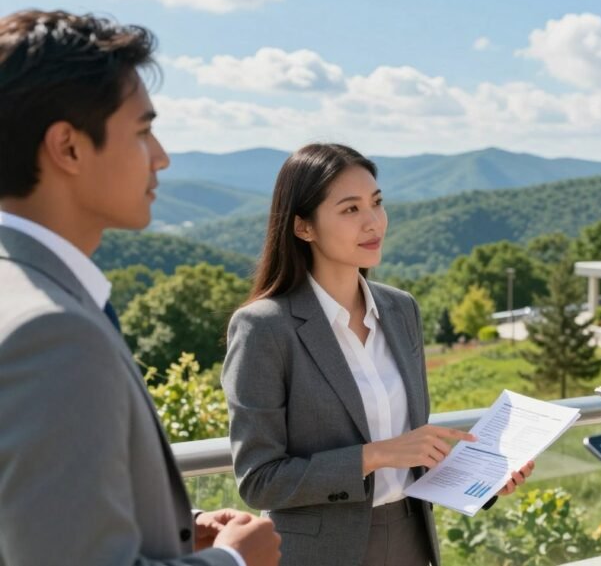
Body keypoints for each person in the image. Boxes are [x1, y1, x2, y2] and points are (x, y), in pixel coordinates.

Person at [0, 10, 280, 566]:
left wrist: (178, 528)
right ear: (69, 148)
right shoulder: (53, 333)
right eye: (143, 130)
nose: (162, 157)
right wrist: (234, 561)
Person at [222, 143, 534, 566]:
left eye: (377, 203)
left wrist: (480, 478)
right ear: (303, 227)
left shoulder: (400, 309)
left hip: (410, 538)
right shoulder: (264, 327)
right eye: (350, 209)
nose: (373, 222)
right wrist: (376, 454)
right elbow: (260, 481)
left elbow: (412, 450)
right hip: (318, 554)